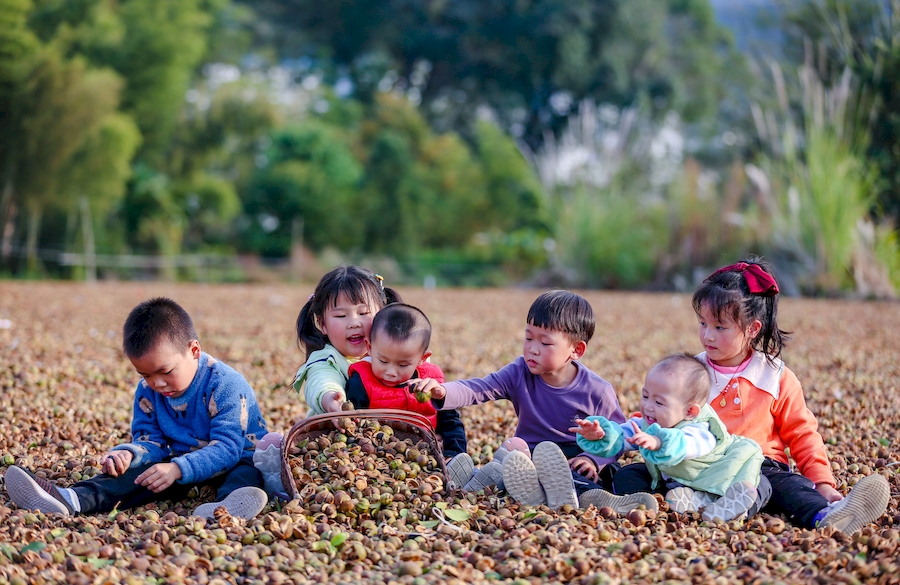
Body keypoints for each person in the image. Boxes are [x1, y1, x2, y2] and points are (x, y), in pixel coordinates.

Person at [618, 257, 889, 534]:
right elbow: (655, 412)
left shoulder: (774, 377)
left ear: (752, 329)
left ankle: (826, 515)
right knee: (631, 473)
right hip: (698, 464)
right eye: (703, 323)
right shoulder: (689, 373)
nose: (707, 336)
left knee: (787, 486)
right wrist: (622, 439)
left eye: (720, 327)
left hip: (758, 465)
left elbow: (803, 434)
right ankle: (641, 503)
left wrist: (823, 484)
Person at [5, 298, 270, 519]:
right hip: (178, 462)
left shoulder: (225, 384)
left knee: (248, 472)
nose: (158, 383)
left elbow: (228, 448)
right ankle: (72, 498)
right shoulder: (148, 390)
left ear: (194, 350)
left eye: (165, 371)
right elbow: (150, 441)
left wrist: (178, 468)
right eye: (145, 375)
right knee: (142, 476)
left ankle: (224, 511)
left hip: (235, 458)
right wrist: (129, 455)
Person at [411, 290, 656, 512]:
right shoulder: (520, 372)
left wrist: (593, 459)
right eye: (529, 338)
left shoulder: (598, 391)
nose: (533, 349)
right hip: (530, 458)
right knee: (514, 452)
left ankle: (594, 498)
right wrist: (442, 391)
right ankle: (481, 483)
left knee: (577, 476)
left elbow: (617, 440)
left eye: (545, 342)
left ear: (576, 350)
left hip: (576, 461)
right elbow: (479, 388)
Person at [254, 266, 402, 495]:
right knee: (279, 448)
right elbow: (321, 380)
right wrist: (330, 398)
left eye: (363, 313)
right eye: (341, 316)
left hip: (388, 445)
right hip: (331, 448)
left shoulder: (395, 355)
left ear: (383, 313)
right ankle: (277, 481)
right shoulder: (326, 359)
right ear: (322, 324)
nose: (353, 322)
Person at [572, 353, 765, 522]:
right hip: (675, 481)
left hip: (713, 479)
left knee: (761, 485)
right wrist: (602, 435)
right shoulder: (650, 422)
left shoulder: (701, 429)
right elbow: (626, 434)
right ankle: (660, 502)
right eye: (645, 396)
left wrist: (658, 443)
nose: (647, 406)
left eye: (659, 402)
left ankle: (714, 503)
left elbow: (685, 445)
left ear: (690, 410)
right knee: (627, 474)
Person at [344, 303, 471, 486]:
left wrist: (453, 454)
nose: (391, 372)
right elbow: (351, 426)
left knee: (458, 475)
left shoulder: (431, 383)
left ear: (422, 358)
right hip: (376, 463)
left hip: (428, 463)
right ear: (369, 348)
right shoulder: (361, 381)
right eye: (383, 361)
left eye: (402, 365)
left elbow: (451, 422)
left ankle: (479, 476)